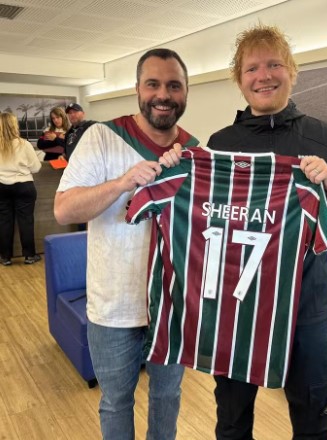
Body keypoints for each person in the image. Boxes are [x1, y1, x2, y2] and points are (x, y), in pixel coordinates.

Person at [207, 24, 327, 439]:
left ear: (291, 70)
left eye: (274, 64)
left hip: (305, 302)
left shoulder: (322, 135)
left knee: (313, 414)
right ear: (239, 80)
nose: (264, 76)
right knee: (232, 415)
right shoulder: (221, 143)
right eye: (252, 68)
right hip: (238, 301)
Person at [53, 48, 200, 439]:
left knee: (167, 397)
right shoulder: (102, 136)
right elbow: (64, 209)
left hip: (172, 306)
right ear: (138, 88)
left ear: (186, 91)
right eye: (153, 84)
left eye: (174, 85)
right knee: (116, 401)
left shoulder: (194, 150)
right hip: (113, 306)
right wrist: (122, 183)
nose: (163, 95)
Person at [0, 112, 42, 266]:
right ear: (14, 125)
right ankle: (29, 256)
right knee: (26, 221)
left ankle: (5, 257)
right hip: (24, 186)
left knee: (4, 221)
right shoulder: (24, 144)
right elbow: (36, 168)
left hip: (1, 187)